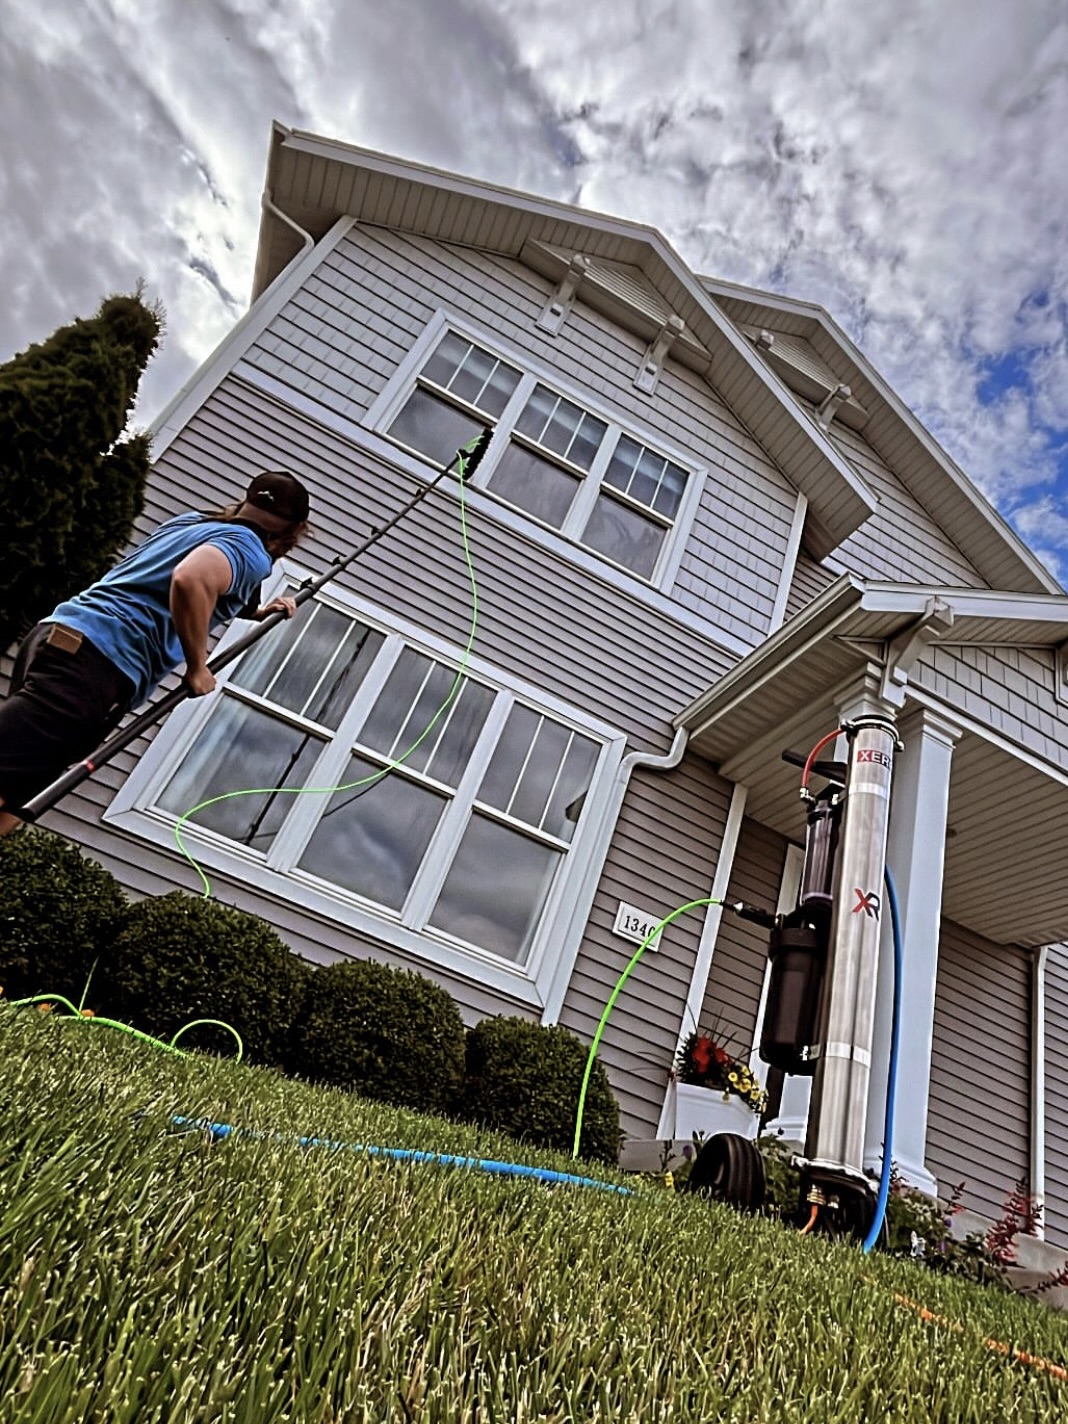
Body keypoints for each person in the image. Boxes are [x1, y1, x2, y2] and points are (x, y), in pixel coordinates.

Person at [0, 469, 312, 837]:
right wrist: (197, 666)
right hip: (97, 663)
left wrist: (259, 610)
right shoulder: (249, 551)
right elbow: (191, 578)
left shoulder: (192, 523)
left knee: (17, 794)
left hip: (61, 638)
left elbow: (192, 580)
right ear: (291, 530)